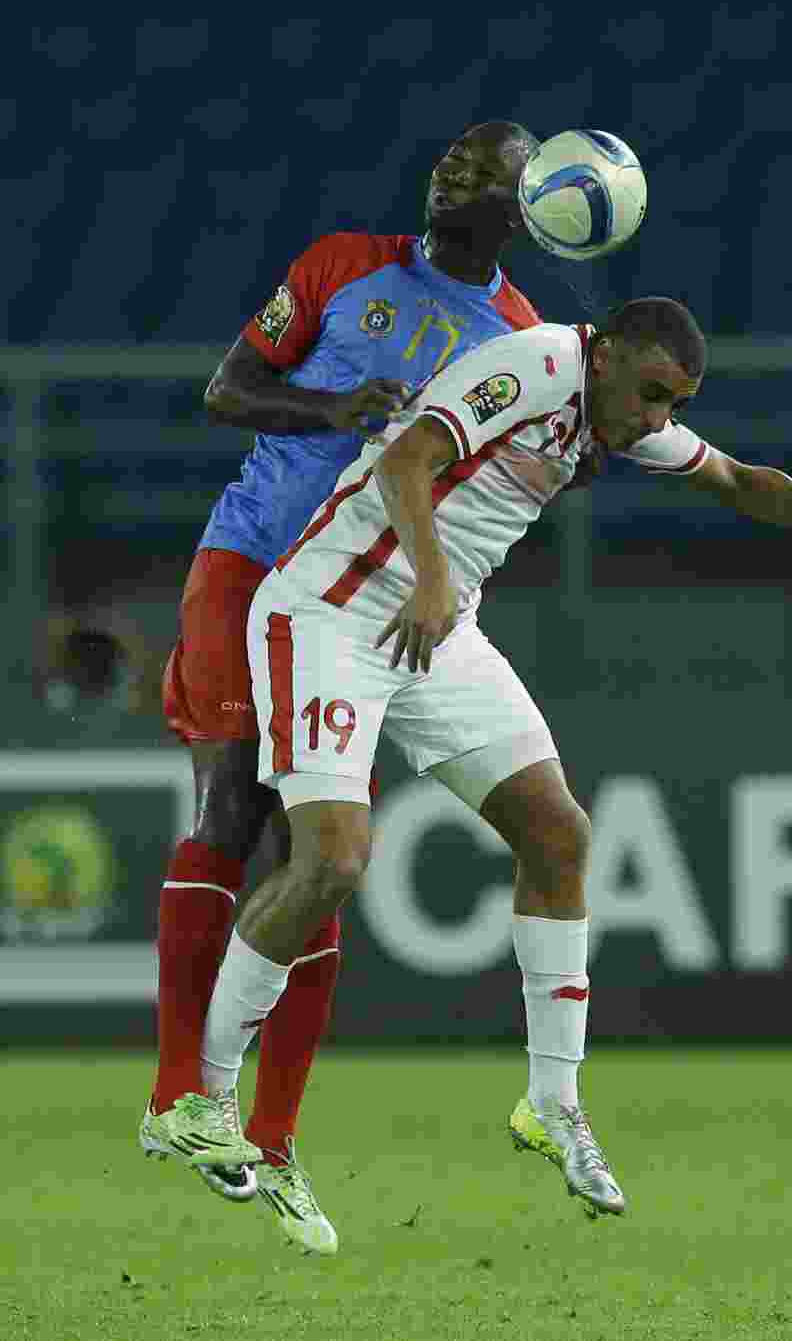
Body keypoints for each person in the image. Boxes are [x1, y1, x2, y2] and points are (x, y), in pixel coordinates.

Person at [156, 296, 792, 1244]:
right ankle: (202, 1096)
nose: (658, 419)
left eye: (675, 402)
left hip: (436, 638)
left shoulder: (613, 412)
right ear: (603, 355)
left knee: (559, 834)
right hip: (329, 615)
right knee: (332, 861)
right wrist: (439, 578)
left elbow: (733, 476)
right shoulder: (534, 367)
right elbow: (409, 458)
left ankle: (553, 1104)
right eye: (652, 394)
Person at [140, 120, 546, 1250]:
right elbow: (227, 389)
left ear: (524, 213)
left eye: (482, 177)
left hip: (349, 610)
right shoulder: (339, 265)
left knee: (315, 862)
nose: (450, 183)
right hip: (253, 553)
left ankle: (270, 1141)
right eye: (447, 166)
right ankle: (179, 1095)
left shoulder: (513, 336)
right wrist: (329, 411)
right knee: (227, 807)